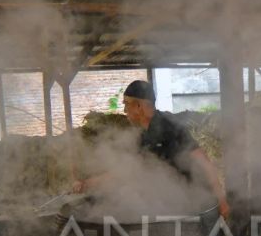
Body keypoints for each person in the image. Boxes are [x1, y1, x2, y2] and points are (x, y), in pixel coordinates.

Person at [73, 80, 230, 219]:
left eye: (126, 104)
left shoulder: (170, 128)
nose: (125, 110)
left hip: (190, 205)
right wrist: (87, 184)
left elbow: (204, 163)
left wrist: (222, 201)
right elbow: (128, 171)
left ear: (139, 106)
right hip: (168, 204)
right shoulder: (143, 134)